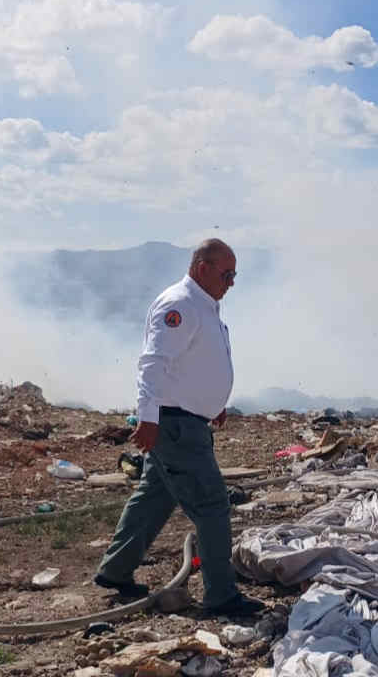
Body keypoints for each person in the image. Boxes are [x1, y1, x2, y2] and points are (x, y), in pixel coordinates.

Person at [94, 239, 265, 616]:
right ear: (202, 268)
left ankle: (116, 570)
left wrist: (212, 405)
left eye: (235, 274)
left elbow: (194, 365)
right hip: (175, 426)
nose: (232, 282)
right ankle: (222, 596)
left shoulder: (204, 305)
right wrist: (148, 418)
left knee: (154, 499)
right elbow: (153, 363)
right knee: (212, 506)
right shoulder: (180, 305)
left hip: (187, 421)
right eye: (227, 274)